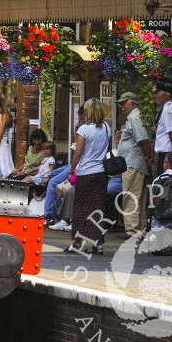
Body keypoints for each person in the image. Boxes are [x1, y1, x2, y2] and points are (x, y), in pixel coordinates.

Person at [65, 98, 111, 255]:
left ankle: (78, 243)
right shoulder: (106, 127)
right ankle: (98, 244)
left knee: (81, 209)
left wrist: (71, 171)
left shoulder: (84, 129)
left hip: (86, 173)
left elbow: (78, 152)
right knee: (98, 209)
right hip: (101, 173)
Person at [115, 92, 153, 238]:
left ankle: (132, 231)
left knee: (130, 196)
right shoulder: (135, 117)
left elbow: (144, 140)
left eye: (123, 103)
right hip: (135, 162)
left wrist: (148, 157)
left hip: (133, 163)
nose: (120, 106)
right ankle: (140, 229)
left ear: (132, 103)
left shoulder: (135, 117)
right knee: (140, 197)